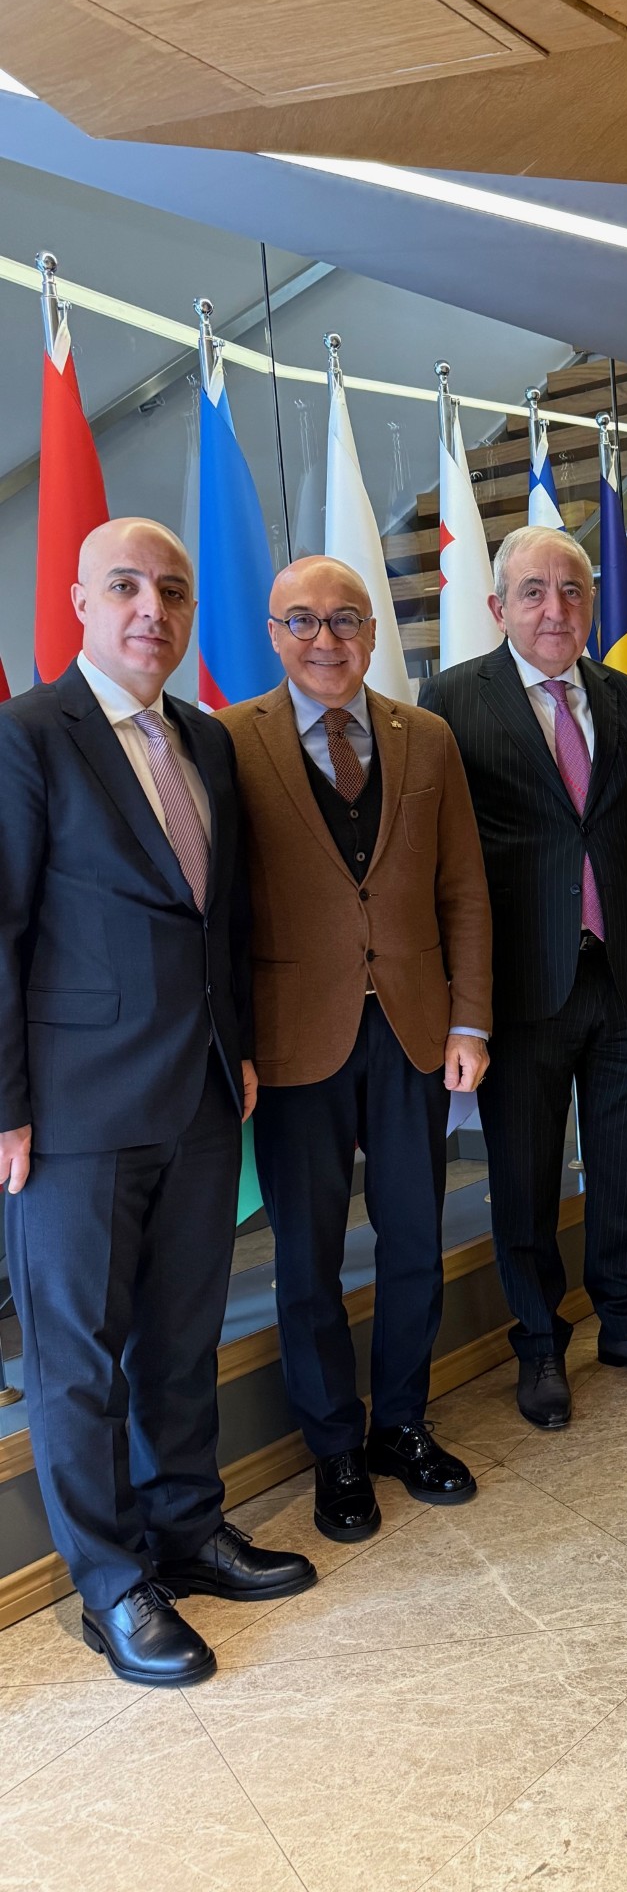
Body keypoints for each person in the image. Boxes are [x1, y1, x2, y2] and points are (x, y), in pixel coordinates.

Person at [0, 519, 314, 1688]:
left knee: (183, 1336)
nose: (153, 609)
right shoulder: (29, 735)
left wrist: (238, 1044)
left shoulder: (204, 741)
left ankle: (187, 1529)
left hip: (199, 1094)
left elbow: (219, 916)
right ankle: (111, 1583)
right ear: (80, 602)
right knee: (80, 1361)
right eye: (126, 586)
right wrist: (5, 1105)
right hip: (72, 1113)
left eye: (173, 591)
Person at [219, 557, 493, 1539]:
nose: (325, 639)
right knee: (308, 1258)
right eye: (302, 621)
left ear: (373, 634)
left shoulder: (429, 737)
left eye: (345, 620)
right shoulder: (228, 742)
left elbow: (463, 889)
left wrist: (470, 1021)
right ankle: (335, 1448)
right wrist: (234, 1041)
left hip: (415, 1030)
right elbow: (219, 908)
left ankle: (402, 1426)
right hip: (294, 1041)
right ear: (274, 633)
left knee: (417, 1239)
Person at [419, 526, 627, 1429]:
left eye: (572, 590)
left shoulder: (626, 697)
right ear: (498, 607)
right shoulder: (451, 700)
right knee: (525, 1178)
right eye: (534, 592)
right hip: (519, 986)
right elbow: (441, 857)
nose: (555, 609)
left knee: (625, 1164)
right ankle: (539, 1343)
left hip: (625, 974)